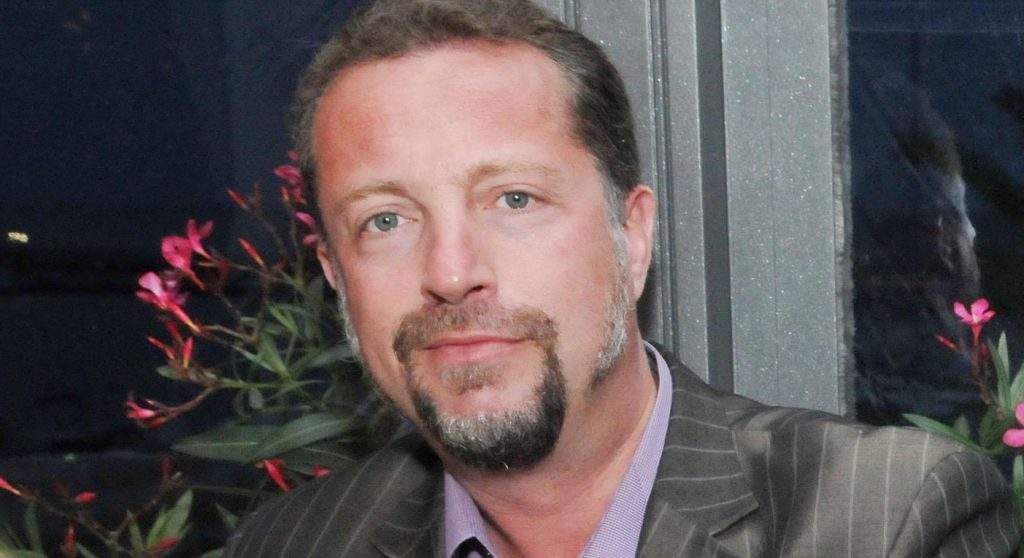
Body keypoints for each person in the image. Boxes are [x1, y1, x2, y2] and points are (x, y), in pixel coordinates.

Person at [225, 0, 1021, 555]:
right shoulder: (293, 544)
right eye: (385, 221)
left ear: (632, 237)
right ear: (336, 276)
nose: (452, 272)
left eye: (514, 199)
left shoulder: (888, 522)